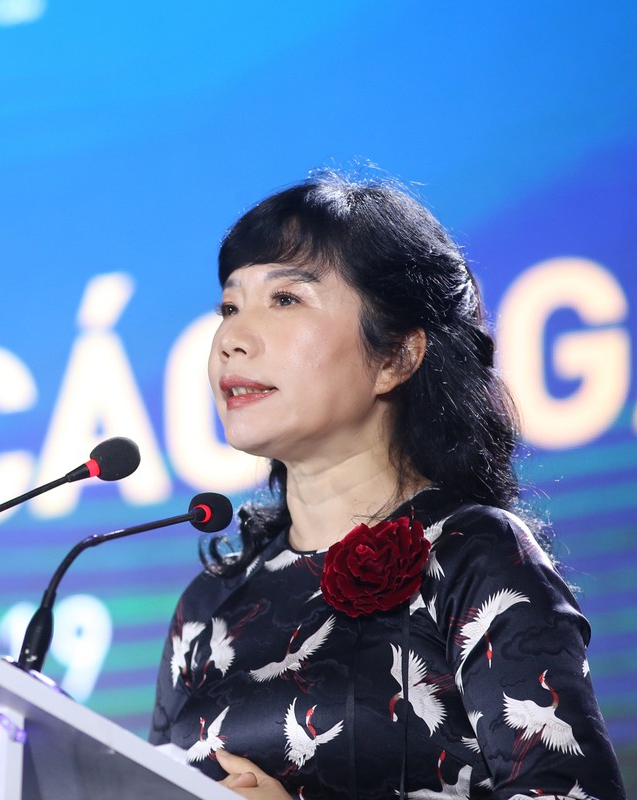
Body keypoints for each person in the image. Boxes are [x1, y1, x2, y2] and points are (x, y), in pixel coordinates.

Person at [149, 171, 625, 798]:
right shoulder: (211, 604)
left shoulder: (470, 556)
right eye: (230, 308)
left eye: (286, 299)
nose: (231, 340)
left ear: (396, 356)